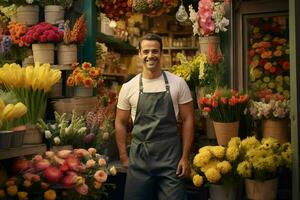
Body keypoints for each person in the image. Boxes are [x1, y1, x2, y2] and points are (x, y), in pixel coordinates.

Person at [115, 33, 194, 200]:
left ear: (161, 53)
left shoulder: (178, 83)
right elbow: (120, 122)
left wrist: (185, 157)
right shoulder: (128, 87)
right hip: (139, 158)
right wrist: (123, 157)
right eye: (146, 51)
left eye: (155, 51)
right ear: (139, 54)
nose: (150, 55)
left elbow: (188, 120)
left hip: (170, 157)